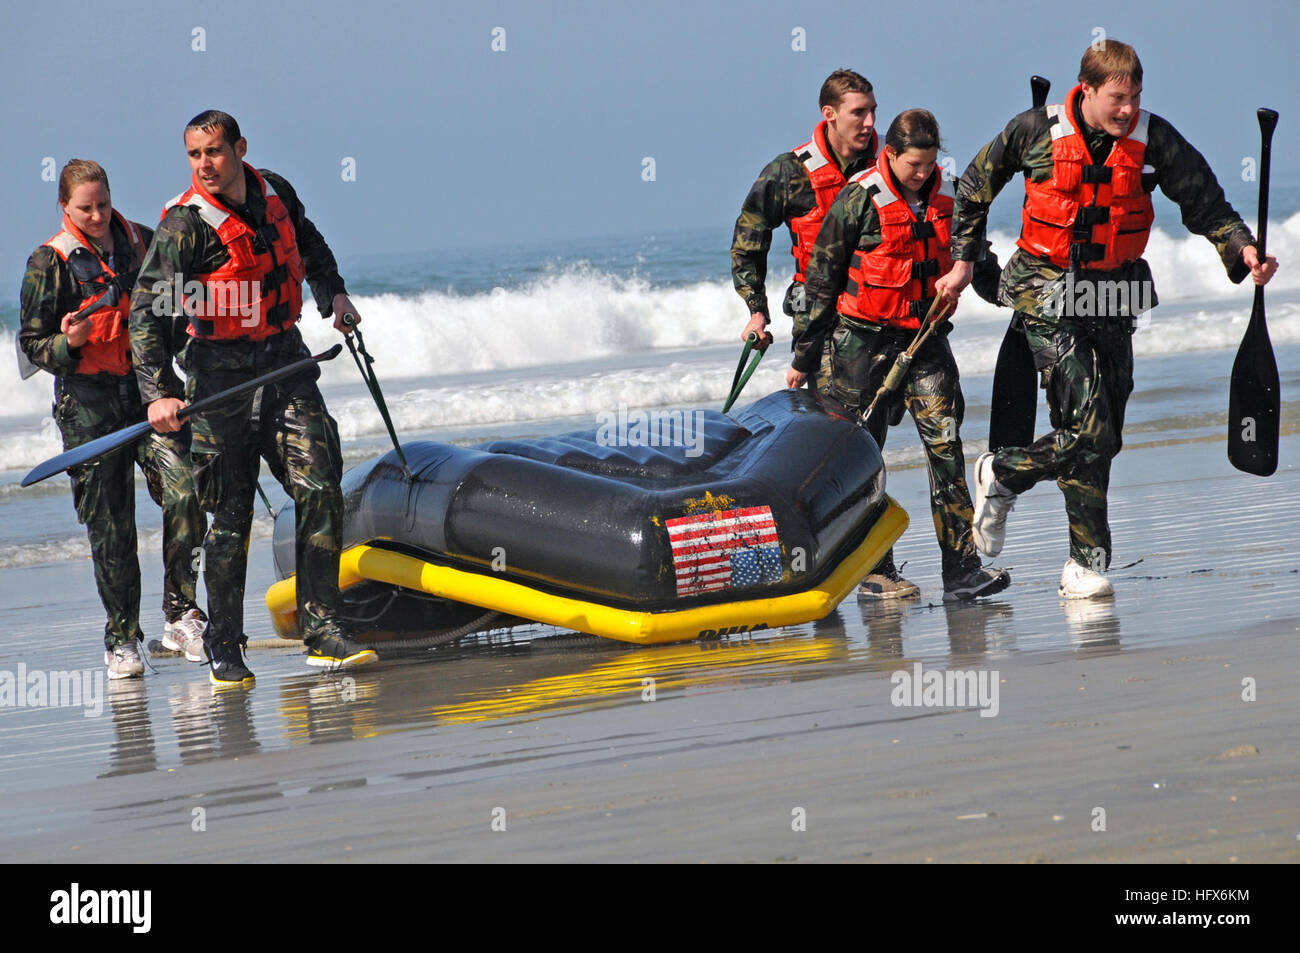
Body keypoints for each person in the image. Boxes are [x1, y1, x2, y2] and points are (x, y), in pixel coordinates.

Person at [936, 40, 1278, 599]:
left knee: (1105, 433)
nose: (1128, 109)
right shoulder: (1033, 130)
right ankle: (1087, 564)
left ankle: (1002, 473)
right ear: (1087, 90)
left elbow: (1207, 203)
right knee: (1088, 422)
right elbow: (974, 188)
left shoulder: (1154, 138)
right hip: (1046, 289)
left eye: (1136, 97)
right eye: (1118, 98)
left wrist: (1242, 250)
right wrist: (967, 264)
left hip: (1116, 292)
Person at [130, 110, 377, 685]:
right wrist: (159, 394)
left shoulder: (276, 192)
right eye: (194, 155)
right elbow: (147, 315)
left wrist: (333, 295)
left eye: (213, 151)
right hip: (220, 380)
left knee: (319, 486)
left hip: (286, 360)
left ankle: (323, 630)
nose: (205, 165)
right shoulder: (184, 228)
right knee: (232, 514)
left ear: (239, 148)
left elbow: (309, 245)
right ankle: (224, 643)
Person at [787, 110, 1011, 603]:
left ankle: (962, 571)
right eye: (914, 164)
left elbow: (979, 261)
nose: (923, 173)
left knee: (946, 449)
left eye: (930, 163)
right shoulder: (858, 198)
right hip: (858, 348)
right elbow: (821, 278)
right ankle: (877, 571)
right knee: (865, 460)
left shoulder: (953, 198)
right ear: (890, 154)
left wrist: (1017, 296)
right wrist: (805, 356)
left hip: (926, 342)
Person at [20, 160, 208, 678]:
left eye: (103, 203)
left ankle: (181, 613)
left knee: (187, 492)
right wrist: (68, 342)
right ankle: (123, 639)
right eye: (86, 207)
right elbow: (32, 345)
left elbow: (179, 314)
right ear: (66, 207)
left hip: (151, 394)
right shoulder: (48, 263)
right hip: (88, 408)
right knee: (112, 529)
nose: (98, 214)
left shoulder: (146, 243)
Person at [731, 69, 878, 393]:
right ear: (829, 114)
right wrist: (757, 311)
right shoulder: (788, 172)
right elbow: (748, 241)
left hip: (882, 313)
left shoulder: (890, 165)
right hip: (819, 322)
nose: (869, 122)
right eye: (858, 113)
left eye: (872, 111)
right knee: (837, 419)